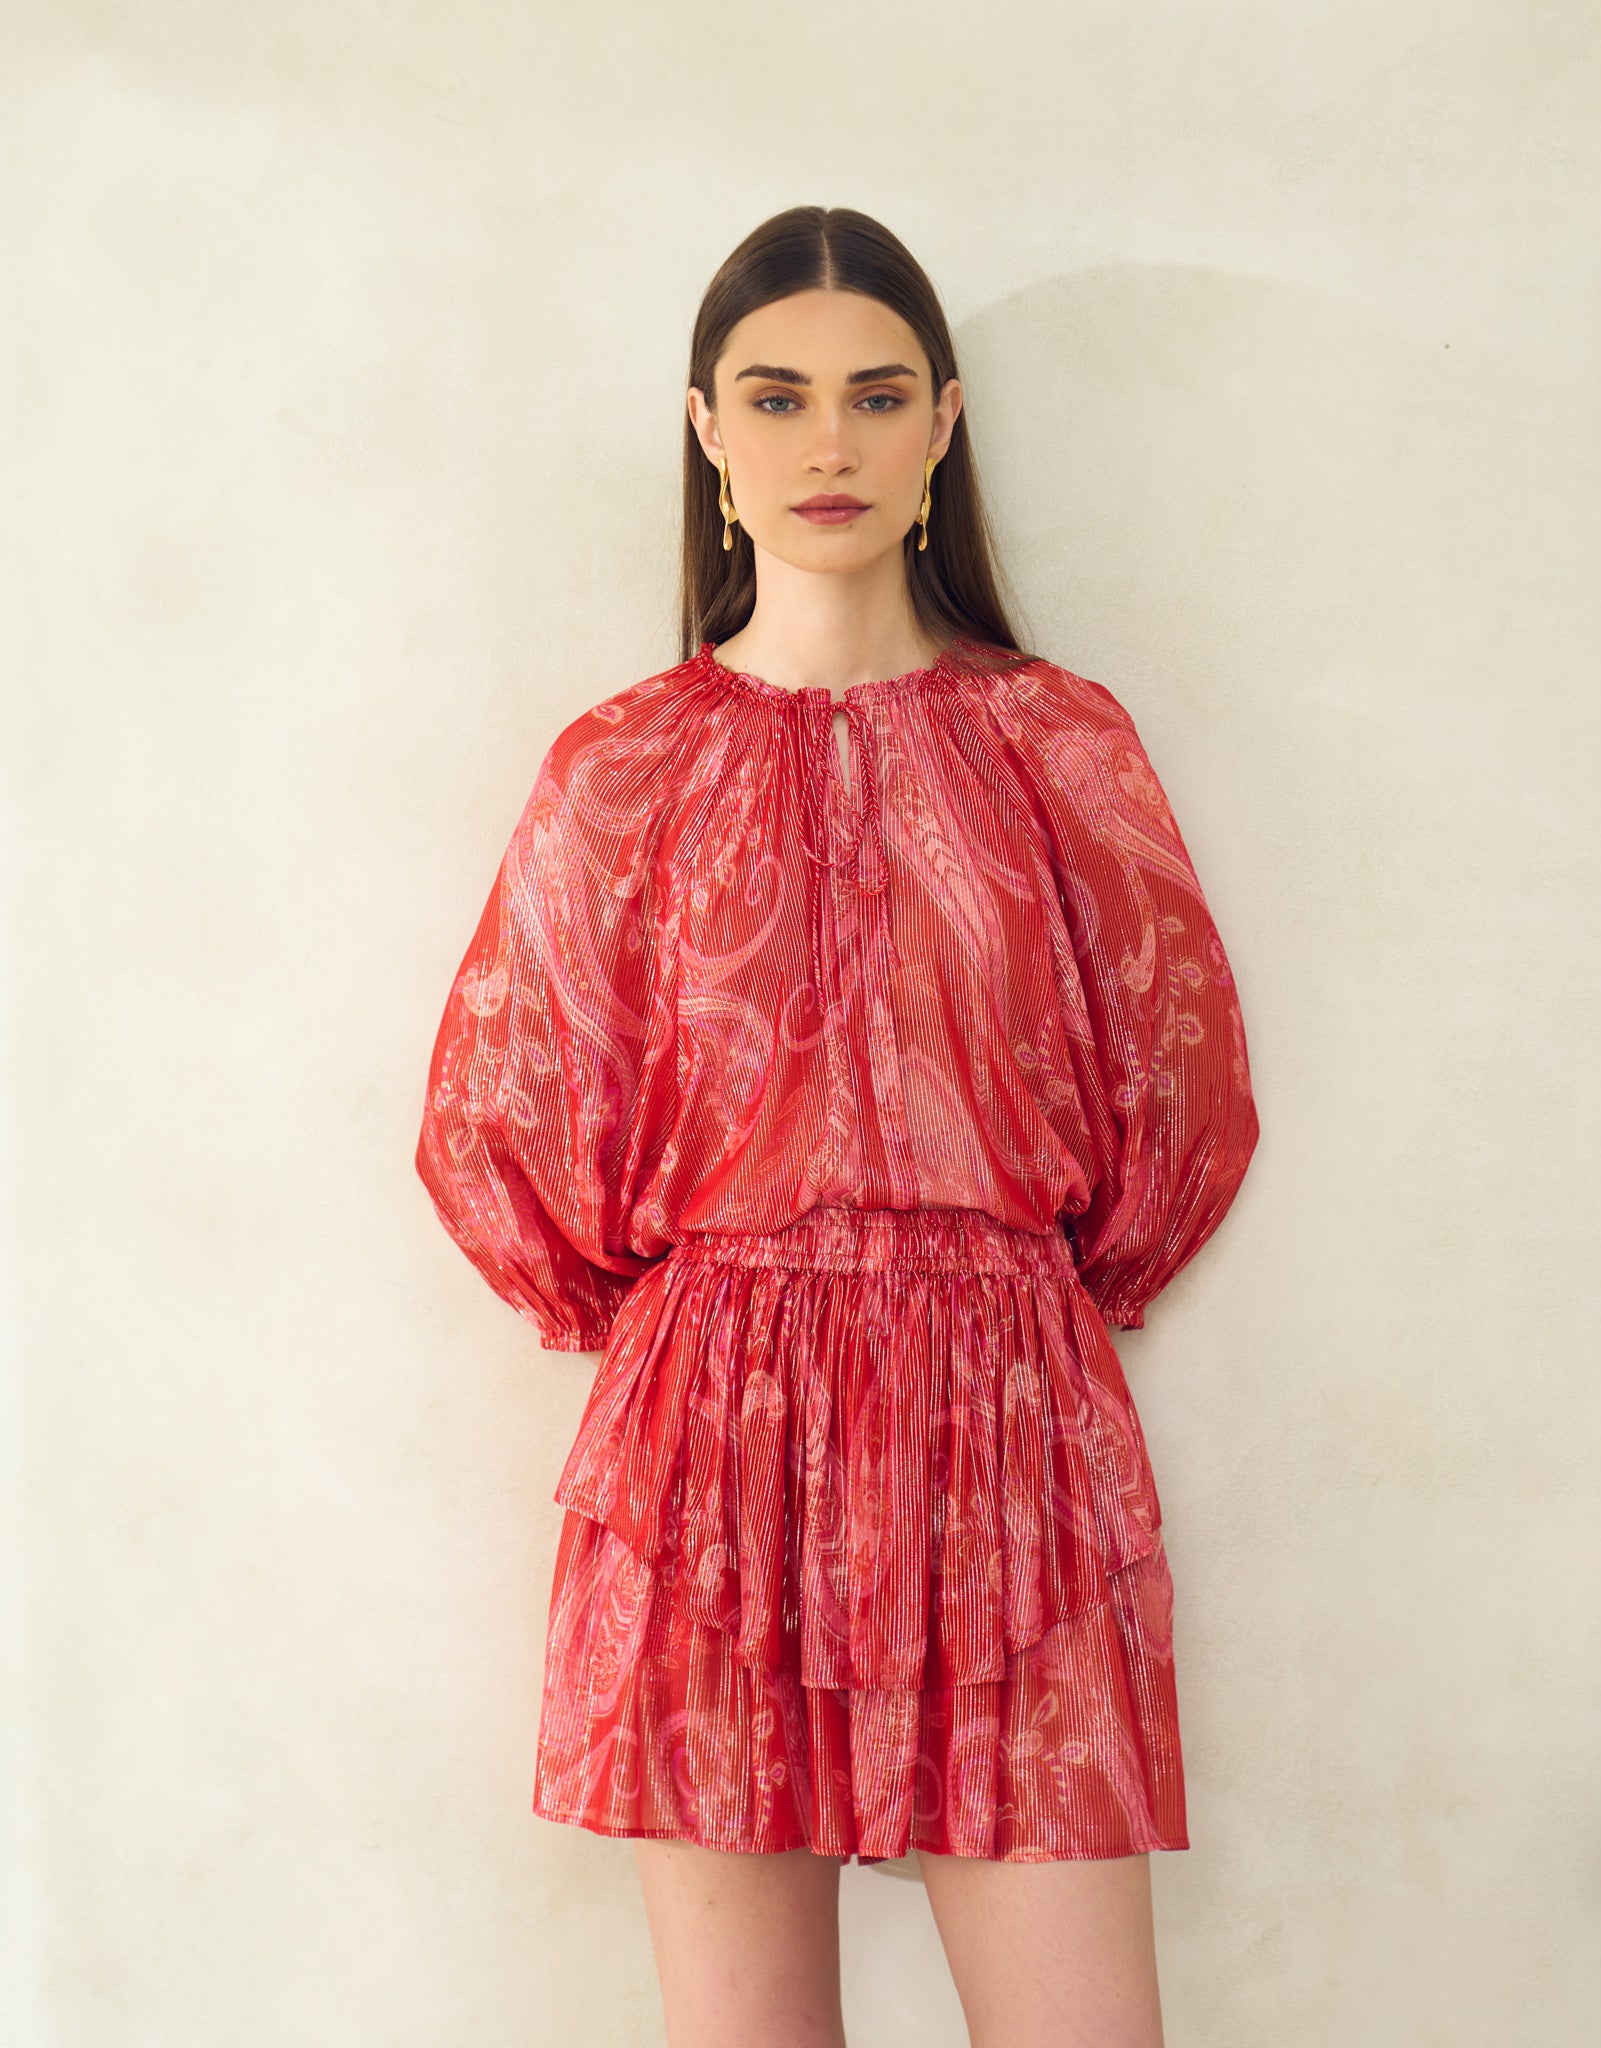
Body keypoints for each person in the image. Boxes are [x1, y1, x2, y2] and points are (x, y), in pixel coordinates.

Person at [414, 204, 1260, 2048]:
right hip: (710, 1439)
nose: (827, 442)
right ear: (706, 428)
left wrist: (1031, 1287)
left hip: (1007, 1429)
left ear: (942, 423)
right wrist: (696, 1299)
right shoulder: (623, 764)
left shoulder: (1058, 743)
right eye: (776, 396)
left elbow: (1176, 1074)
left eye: (874, 397)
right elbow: (505, 1105)